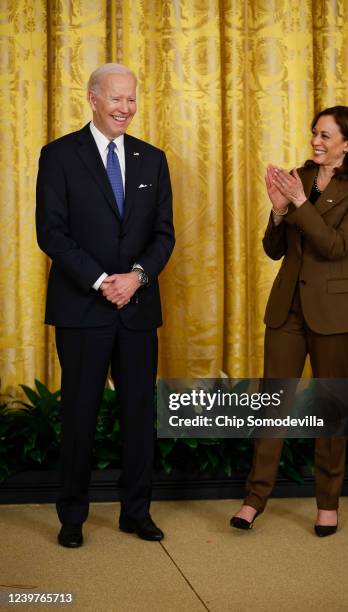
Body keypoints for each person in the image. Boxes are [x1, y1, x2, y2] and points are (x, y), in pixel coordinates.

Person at [36, 63, 175, 547]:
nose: (125, 108)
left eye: (132, 99)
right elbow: (50, 233)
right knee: (80, 413)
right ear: (93, 98)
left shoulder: (152, 159)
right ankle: (72, 515)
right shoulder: (58, 156)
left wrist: (135, 278)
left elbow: (164, 235)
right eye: (116, 98)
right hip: (81, 308)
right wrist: (101, 281)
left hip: (137, 308)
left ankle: (136, 512)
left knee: (139, 414)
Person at [231, 106, 348, 536]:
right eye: (314, 133)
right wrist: (278, 211)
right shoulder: (300, 176)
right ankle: (254, 499)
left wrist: (298, 204)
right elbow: (275, 249)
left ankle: (328, 504)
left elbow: (336, 246)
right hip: (288, 308)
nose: (316, 140)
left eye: (326, 135)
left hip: (337, 312)